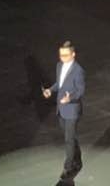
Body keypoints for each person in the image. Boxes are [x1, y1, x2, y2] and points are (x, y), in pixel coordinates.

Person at [41, 40, 84, 182]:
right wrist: (50, 90)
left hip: (72, 109)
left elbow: (80, 91)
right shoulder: (59, 66)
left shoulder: (78, 71)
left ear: (73, 54)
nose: (62, 58)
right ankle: (77, 158)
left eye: (65, 55)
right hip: (61, 108)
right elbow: (59, 83)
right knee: (70, 137)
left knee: (68, 140)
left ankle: (68, 168)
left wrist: (69, 98)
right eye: (61, 55)